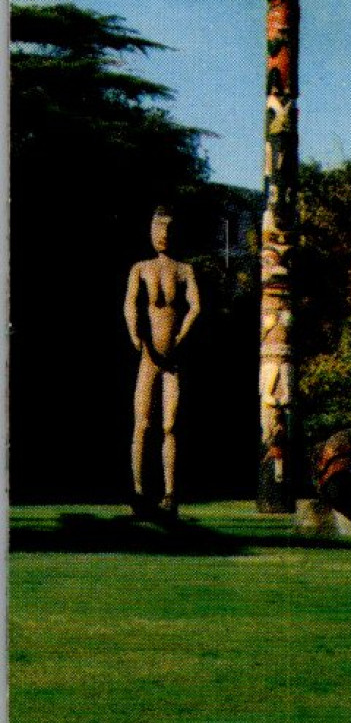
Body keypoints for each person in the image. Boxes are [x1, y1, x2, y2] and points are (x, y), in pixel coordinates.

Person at [123, 207, 201, 518]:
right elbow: (130, 305)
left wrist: (180, 338)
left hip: (173, 362)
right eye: (158, 228)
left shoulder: (185, 270)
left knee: (170, 425)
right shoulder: (140, 268)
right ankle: (139, 491)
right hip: (148, 358)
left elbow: (195, 307)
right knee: (142, 423)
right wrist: (136, 335)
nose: (163, 235)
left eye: (168, 229)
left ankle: (170, 492)